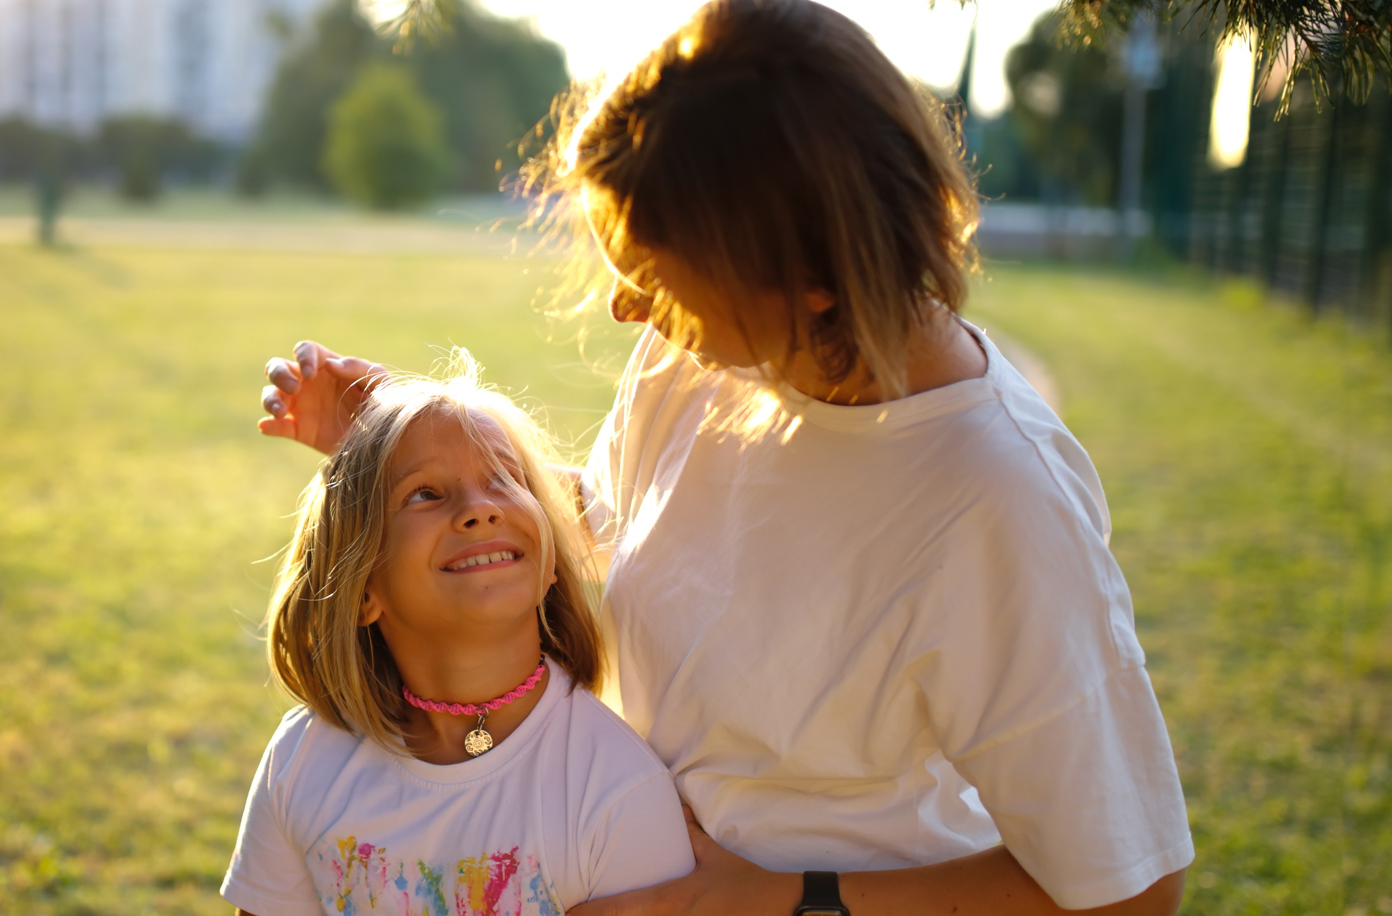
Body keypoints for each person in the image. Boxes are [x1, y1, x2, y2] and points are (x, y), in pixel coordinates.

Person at [250, 2, 1193, 914]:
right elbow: (626, 530)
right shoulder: (709, 354)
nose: (626, 308)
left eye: (658, 276)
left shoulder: (996, 502)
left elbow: (1129, 888)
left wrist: (784, 899)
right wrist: (403, 460)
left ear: (811, 282)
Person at [222, 365, 696, 916]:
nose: (480, 508)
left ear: (550, 565)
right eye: (424, 493)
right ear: (361, 591)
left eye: (502, 479)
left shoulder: (618, 790)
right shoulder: (303, 760)